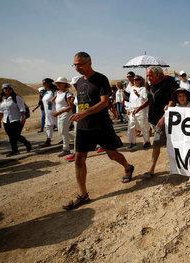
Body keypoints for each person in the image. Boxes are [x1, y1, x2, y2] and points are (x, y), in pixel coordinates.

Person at [63, 51, 133, 210]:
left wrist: (85, 112)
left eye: (80, 64)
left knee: (112, 154)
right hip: (83, 126)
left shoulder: (101, 79)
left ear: (89, 63)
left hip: (101, 125)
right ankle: (82, 194)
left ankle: (128, 167)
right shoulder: (79, 82)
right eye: (75, 64)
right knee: (79, 158)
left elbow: (103, 103)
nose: (77, 67)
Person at [131, 66, 178, 178]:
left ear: (158, 74)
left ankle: (151, 169)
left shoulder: (167, 83)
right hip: (152, 118)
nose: (148, 77)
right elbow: (149, 99)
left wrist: (165, 115)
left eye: (150, 75)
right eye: (147, 75)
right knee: (168, 143)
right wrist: (140, 107)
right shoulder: (151, 86)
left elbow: (174, 98)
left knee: (156, 143)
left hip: (163, 119)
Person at [0, 83, 32, 156]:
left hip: (17, 119)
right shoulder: (2, 99)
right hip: (6, 120)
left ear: (11, 89)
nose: (7, 90)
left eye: (9, 89)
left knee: (16, 135)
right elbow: (0, 111)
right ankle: (15, 150)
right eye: (5, 89)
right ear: (3, 90)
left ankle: (27, 143)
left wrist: (22, 118)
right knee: (10, 136)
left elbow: (22, 109)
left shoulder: (16, 97)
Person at [52, 77, 75, 157]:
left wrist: (59, 112)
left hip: (66, 114)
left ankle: (66, 149)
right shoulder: (58, 93)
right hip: (60, 115)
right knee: (61, 132)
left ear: (64, 84)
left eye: (59, 83)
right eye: (57, 83)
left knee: (63, 132)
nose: (57, 85)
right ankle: (77, 140)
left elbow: (70, 107)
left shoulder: (68, 94)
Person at [126, 75, 150, 150]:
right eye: (134, 80)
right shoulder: (132, 89)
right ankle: (132, 142)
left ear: (140, 80)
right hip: (133, 110)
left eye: (136, 80)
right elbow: (130, 100)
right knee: (131, 126)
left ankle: (147, 142)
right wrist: (128, 110)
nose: (135, 81)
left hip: (141, 110)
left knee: (143, 126)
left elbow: (145, 101)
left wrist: (138, 95)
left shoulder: (143, 89)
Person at [41, 78, 57, 147]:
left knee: (60, 128)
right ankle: (48, 141)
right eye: (43, 83)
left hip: (55, 112)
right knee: (48, 126)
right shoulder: (46, 92)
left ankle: (70, 139)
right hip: (47, 113)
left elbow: (59, 97)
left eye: (44, 83)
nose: (43, 84)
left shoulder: (55, 91)